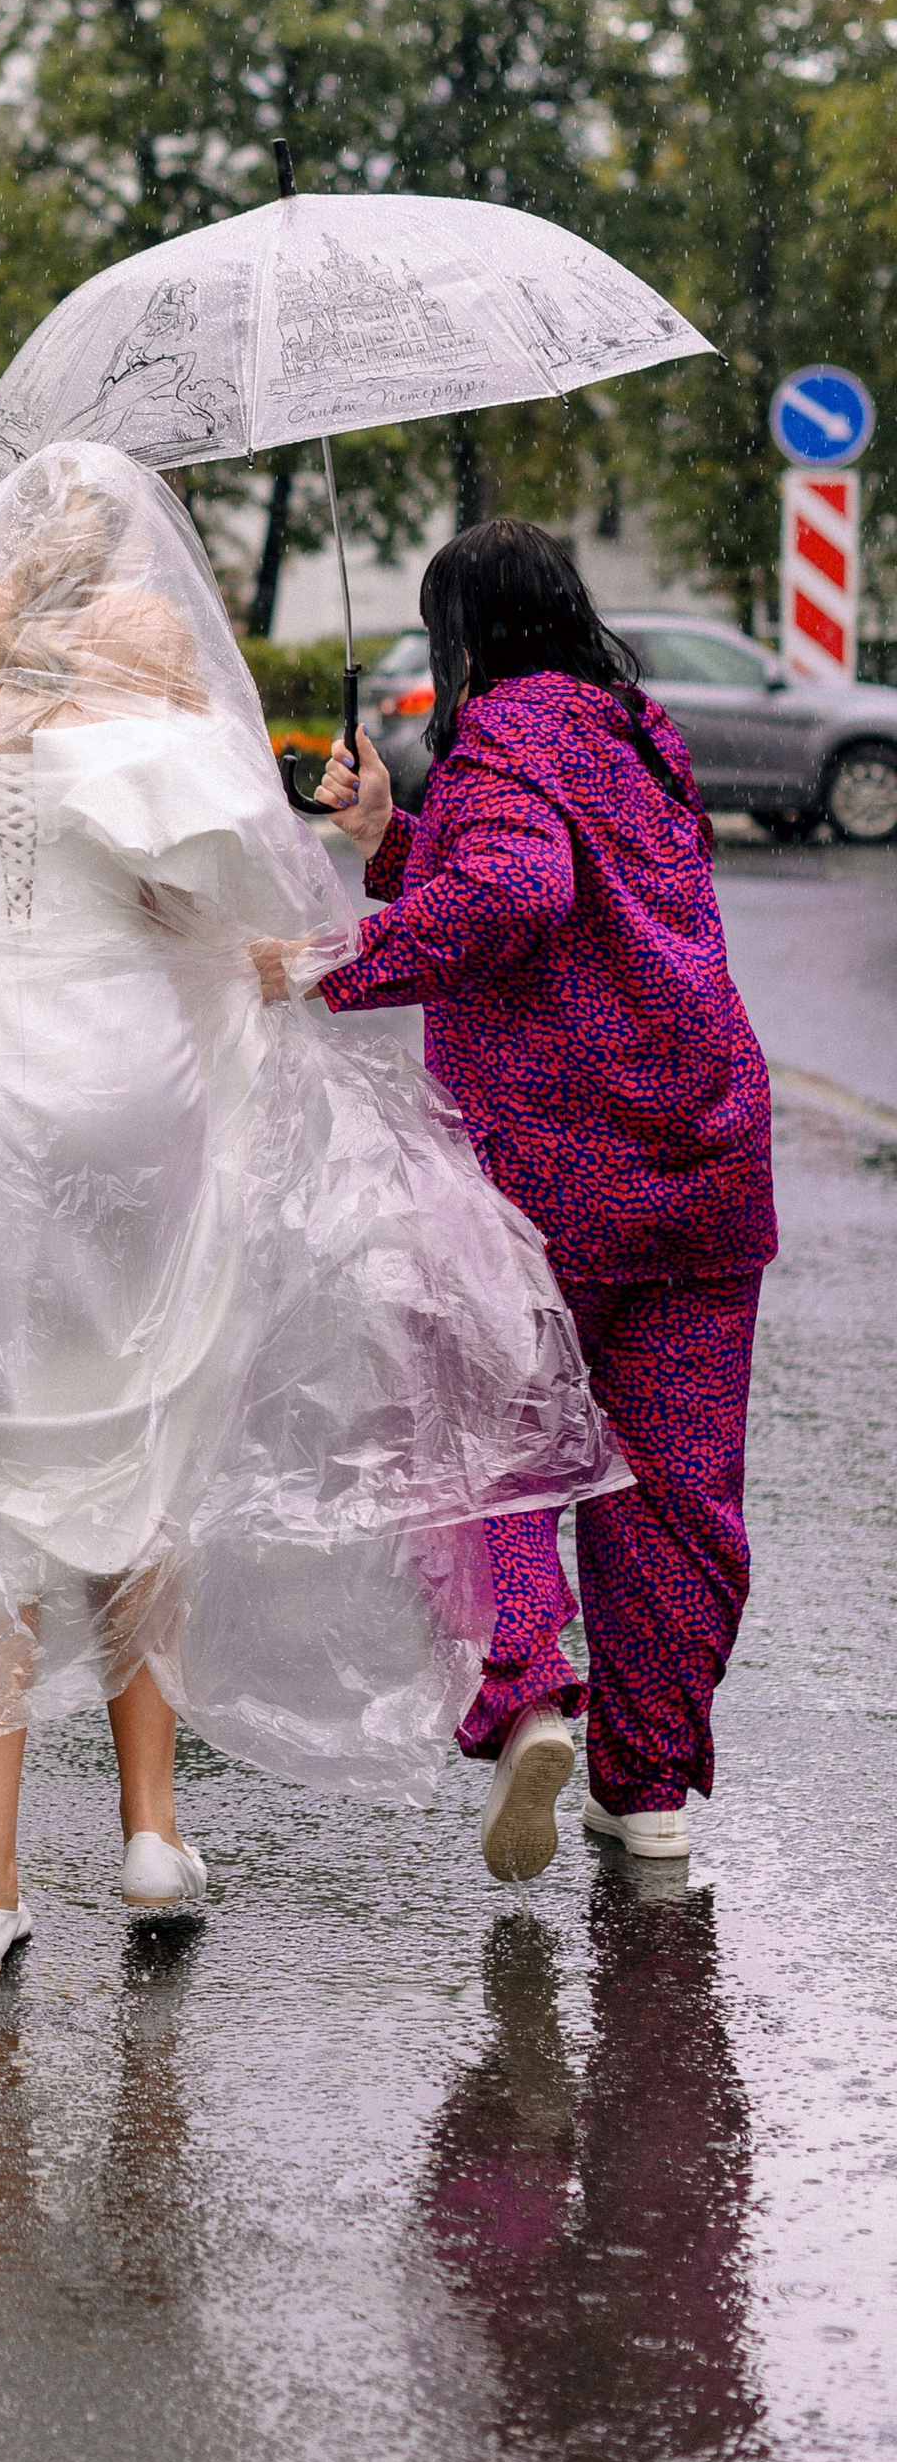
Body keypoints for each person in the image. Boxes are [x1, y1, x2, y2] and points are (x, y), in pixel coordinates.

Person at [0, 444, 614, 1977]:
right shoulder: (151, 653)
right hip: (121, 1074)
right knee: (140, 1422)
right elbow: (222, 895)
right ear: (129, 544)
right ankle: (153, 1835)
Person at [315, 520, 775, 1875]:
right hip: (700, 1171)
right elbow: (574, 897)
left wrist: (342, 953)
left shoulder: (503, 733)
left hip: (545, 1177)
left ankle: (528, 1692)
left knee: (485, 1434)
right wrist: (394, 834)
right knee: (673, 1495)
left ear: (466, 635)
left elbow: (515, 892)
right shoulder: (645, 736)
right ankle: (649, 1789)